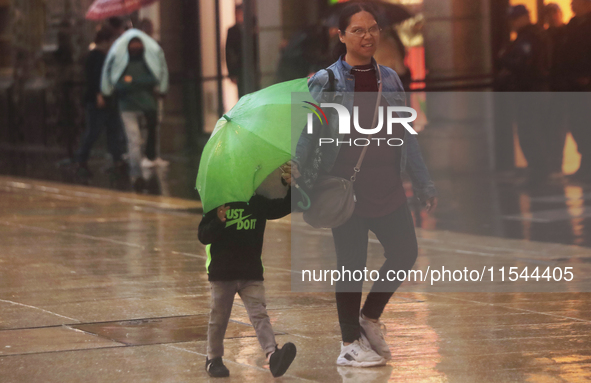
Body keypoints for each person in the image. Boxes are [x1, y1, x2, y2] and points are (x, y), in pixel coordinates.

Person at [293, 3, 437, 368]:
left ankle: (368, 318)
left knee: (405, 252)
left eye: (372, 29)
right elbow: (309, 129)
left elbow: (405, 133)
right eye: (358, 30)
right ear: (341, 36)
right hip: (346, 186)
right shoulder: (326, 80)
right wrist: (296, 163)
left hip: (387, 182)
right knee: (351, 264)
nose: (367, 36)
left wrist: (422, 181)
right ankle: (347, 344)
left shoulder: (390, 78)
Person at [197, 163, 297, 378]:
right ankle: (213, 358)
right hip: (222, 272)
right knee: (219, 317)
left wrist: (292, 188)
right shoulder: (217, 202)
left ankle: (273, 355)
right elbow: (203, 235)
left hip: (251, 270)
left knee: (260, 314)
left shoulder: (257, 202)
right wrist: (218, 220)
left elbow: (282, 208)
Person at [101, 29, 169, 192]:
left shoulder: (146, 62)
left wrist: (131, 82)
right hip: (129, 107)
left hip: (143, 105)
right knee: (134, 140)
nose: (136, 46)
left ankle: (139, 170)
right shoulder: (123, 62)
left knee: (139, 138)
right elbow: (119, 83)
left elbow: (150, 79)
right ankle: (136, 172)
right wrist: (137, 83)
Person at [497, 5, 551, 184]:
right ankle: (539, 171)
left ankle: (539, 172)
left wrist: (504, 59)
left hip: (530, 90)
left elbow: (522, 63)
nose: (511, 24)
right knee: (532, 131)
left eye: (514, 20)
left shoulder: (530, 37)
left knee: (529, 132)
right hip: (532, 90)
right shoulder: (531, 35)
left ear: (523, 18)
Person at [74, 26, 126, 178]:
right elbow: (94, 78)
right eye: (111, 40)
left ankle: (118, 159)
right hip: (98, 99)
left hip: (109, 98)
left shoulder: (105, 56)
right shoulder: (95, 56)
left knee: (113, 130)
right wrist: (99, 95)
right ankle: (81, 158)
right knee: (94, 131)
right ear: (105, 41)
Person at [554, 0, 591, 181]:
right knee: (577, 125)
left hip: (585, 85)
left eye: (576, 2)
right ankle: (585, 164)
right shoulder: (573, 25)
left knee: (586, 124)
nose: (572, 5)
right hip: (572, 84)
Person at [545, 3, 568, 174]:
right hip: (554, 88)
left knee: (559, 127)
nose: (553, 17)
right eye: (550, 14)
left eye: (555, 13)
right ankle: (554, 164)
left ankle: (555, 164)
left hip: (563, 87)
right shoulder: (546, 36)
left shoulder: (569, 34)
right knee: (554, 128)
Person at [226, 4, 259, 97]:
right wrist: (232, 73)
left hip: (253, 66)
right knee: (242, 93)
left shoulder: (253, 27)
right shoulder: (232, 30)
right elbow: (229, 52)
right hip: (240, 67)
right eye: (237, 13)